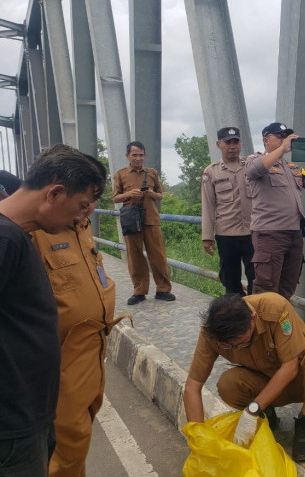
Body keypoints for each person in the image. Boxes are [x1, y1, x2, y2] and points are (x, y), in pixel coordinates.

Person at [0, 144, 106, 476]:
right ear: (55, 193)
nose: (80, 217)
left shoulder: (20, 235)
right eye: (81, 205)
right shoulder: (8, 240)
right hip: (14, 421)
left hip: (32, 408)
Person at [32, 200, 126, 477]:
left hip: (95, 344)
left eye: (94, 200)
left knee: (83, 427)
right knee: (69, 436)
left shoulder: (81, 226)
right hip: (63, 353)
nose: (90, 208)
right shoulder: (34, 232)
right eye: (84, 200)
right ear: (58, 192)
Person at [183, 292, 305, 462]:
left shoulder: (275, 309)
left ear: (253, 318)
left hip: (301, 381)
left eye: (242, 342)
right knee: (228, 383)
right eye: (230, 347)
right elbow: (192, 386)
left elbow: (290, 367)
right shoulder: (211, 332)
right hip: (264, 384)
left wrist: (251, 410)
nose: (237, 348)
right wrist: (198, 441)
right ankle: (266, 416)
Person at [244, 122, 305, 299]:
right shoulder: (255, 159)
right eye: (279, 136)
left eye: (286, 136)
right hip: (269, 234)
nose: (284, 140)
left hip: (294, 234)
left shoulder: (292, 167)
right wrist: (282, 149)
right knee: (266, 288)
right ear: (266, 140)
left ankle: (279, 325)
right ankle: (262, 326)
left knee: (287, 286)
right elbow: (253, 170)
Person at [113, 141, 175, 305]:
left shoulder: (152, 173)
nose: (138, 158)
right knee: (135, 256)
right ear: (128, 156)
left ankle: (163, 289)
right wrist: (129, 194)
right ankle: (139, 291)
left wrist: (150, 193)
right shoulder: (120, 174)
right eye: (134, 155)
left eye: (141, 155)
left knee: (158, 255)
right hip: (132, 220)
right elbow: (115, 197)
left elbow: (160, 195)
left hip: (151, 219)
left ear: (144, 156)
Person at [201, 126, 255, 295]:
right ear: (219, 144)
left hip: (253, 233)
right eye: (228, 142)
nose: (232, 146)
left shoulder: (252, 167)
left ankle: (257, 317)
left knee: (257, 280)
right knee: (231, 283)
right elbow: (208, 206)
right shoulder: (211, 172)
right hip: (227, 235)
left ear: (240, 143)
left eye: (236, 142)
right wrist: (207, 237)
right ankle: (237, 318)